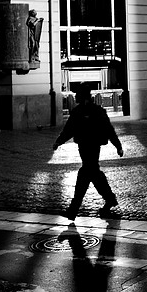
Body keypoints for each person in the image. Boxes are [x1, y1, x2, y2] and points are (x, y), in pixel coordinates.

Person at [53, 89, 124, 220]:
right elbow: (70, 129)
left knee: (85, 174)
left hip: (89, 146)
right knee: (94, 174)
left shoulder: (85, 111)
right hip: (89, 146)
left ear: (84, 97)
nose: (75, 98)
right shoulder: (92, 111)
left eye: (78, 96)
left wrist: (118, 146)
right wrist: (118, 146)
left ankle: (73, 210)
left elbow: (69, 130)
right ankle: (109, 200)